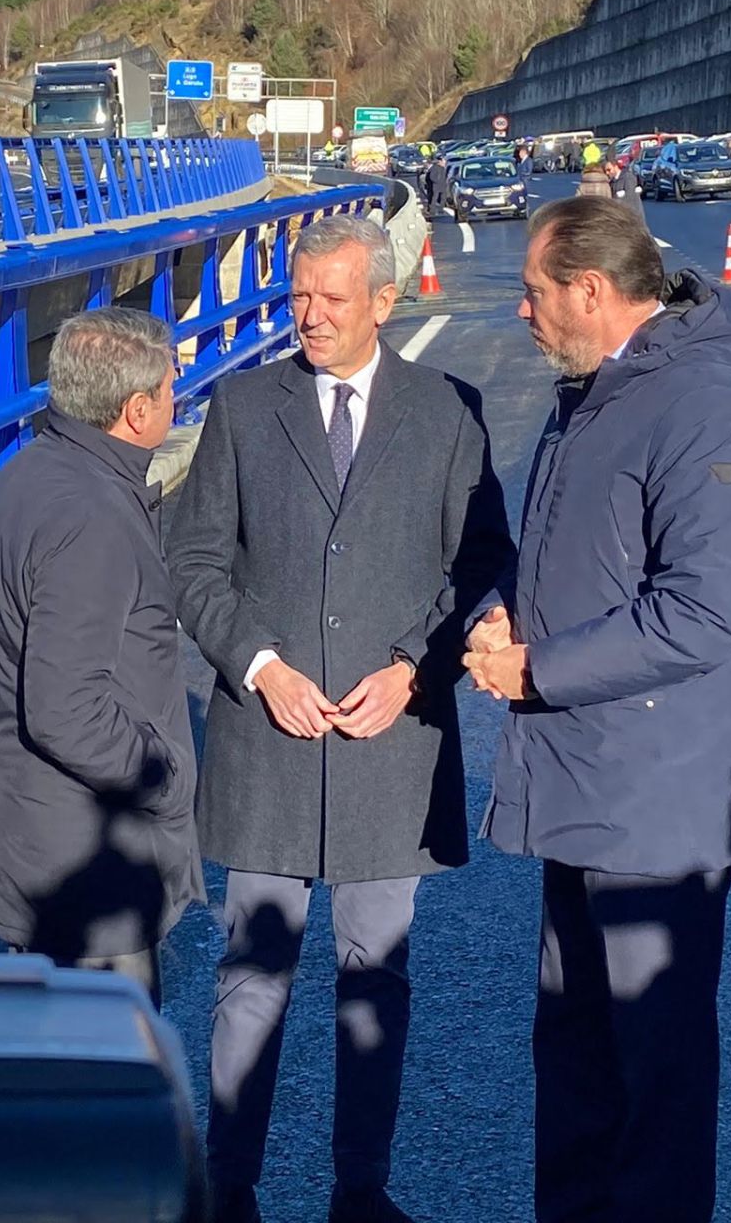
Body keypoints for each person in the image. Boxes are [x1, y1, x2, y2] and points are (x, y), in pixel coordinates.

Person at [168, 214, 514, 1223]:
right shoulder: (241, 407)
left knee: (378, 979)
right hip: (269, 741)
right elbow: (194, 563)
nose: (306, 316)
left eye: (328, 298)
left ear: (384, 302)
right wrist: (259, 664)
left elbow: (480, 562)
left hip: (388, 749)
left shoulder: (450, 411)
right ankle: (228, 1188)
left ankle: (361, 1191)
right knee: (252, 975)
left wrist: (415, 669)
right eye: (297, 296)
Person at [466, 195, 731, 1223]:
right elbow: (577, 557)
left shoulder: (704, 403)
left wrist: (536, 668)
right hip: (586, 788)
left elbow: (699, 612)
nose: (521, 312)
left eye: (532, 292)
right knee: (577, 1067)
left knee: (655, 1092)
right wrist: (505, 608)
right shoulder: (597, 391)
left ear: (590, 293)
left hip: (659, 810)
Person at [0, 308, 201, 1007]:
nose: (176, 396)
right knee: (107, 1093)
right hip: (87, 868)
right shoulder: (93, 516)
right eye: (168, 388)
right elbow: (66, 707)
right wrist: (163, 779)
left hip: (39, 840)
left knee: (51, 1086)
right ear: (135, 411)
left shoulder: (28, 474)